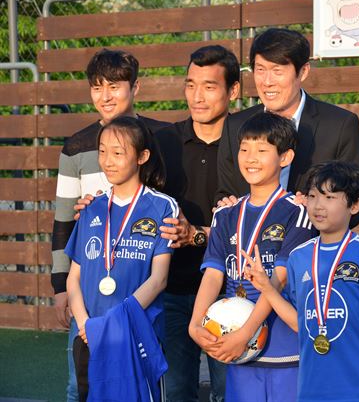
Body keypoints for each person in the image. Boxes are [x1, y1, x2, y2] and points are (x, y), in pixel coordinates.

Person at [51, 49, 169, 402]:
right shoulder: (75, 148)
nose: (105, 96)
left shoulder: (161, 138)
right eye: (97, 87)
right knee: (80, 384)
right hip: (88, 291)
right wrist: (61, 286)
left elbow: (167, 207)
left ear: (136, 88)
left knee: (143, 381)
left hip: (139, 290)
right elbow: (63, 220)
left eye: (114, 86)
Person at [244, 160, 359, 402]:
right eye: (313, 196)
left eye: (329, 198)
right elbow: (300, 322)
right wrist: (267, 287)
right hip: (311, 388)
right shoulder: (299, 256)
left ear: (355, 205)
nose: (318, 206)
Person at [189, 112, 316, 402]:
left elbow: (280, 279)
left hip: (283, 352)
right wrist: (194, 324)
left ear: (285, 157)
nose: (251, 158)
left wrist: (246, 333)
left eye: (262, 150)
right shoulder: (225, 214)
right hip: (239, 354)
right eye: (245, 149)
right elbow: (213, 274)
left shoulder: (298, 213)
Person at [65, 116, 178, 401]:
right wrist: (85, 325)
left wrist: (119, 320)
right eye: (102, 151)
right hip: (90, 333)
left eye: (118, 152)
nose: (108, 161)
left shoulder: (162, 206)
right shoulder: (91, 208)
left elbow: (159, 278)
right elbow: (73, 278)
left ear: (142, 156)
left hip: (135, 332)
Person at [216, 27, 359, 227]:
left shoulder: (339, 125)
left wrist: (318, 215)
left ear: (303, 71)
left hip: (312, 251)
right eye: (260, 70)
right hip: (248, 250)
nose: (267, 82)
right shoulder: (235, 125)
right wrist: (226, 205)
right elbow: (225, 192)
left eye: (277, 71)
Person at [154, 45, 240, 402]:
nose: (197, 97)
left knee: (229, 392)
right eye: (191, 85)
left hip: (231, 293)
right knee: (175, 392)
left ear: (233, 90)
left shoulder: (250, 146)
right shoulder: (162, 142)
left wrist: (198, 236)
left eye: (209, 86)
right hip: (171, 290)